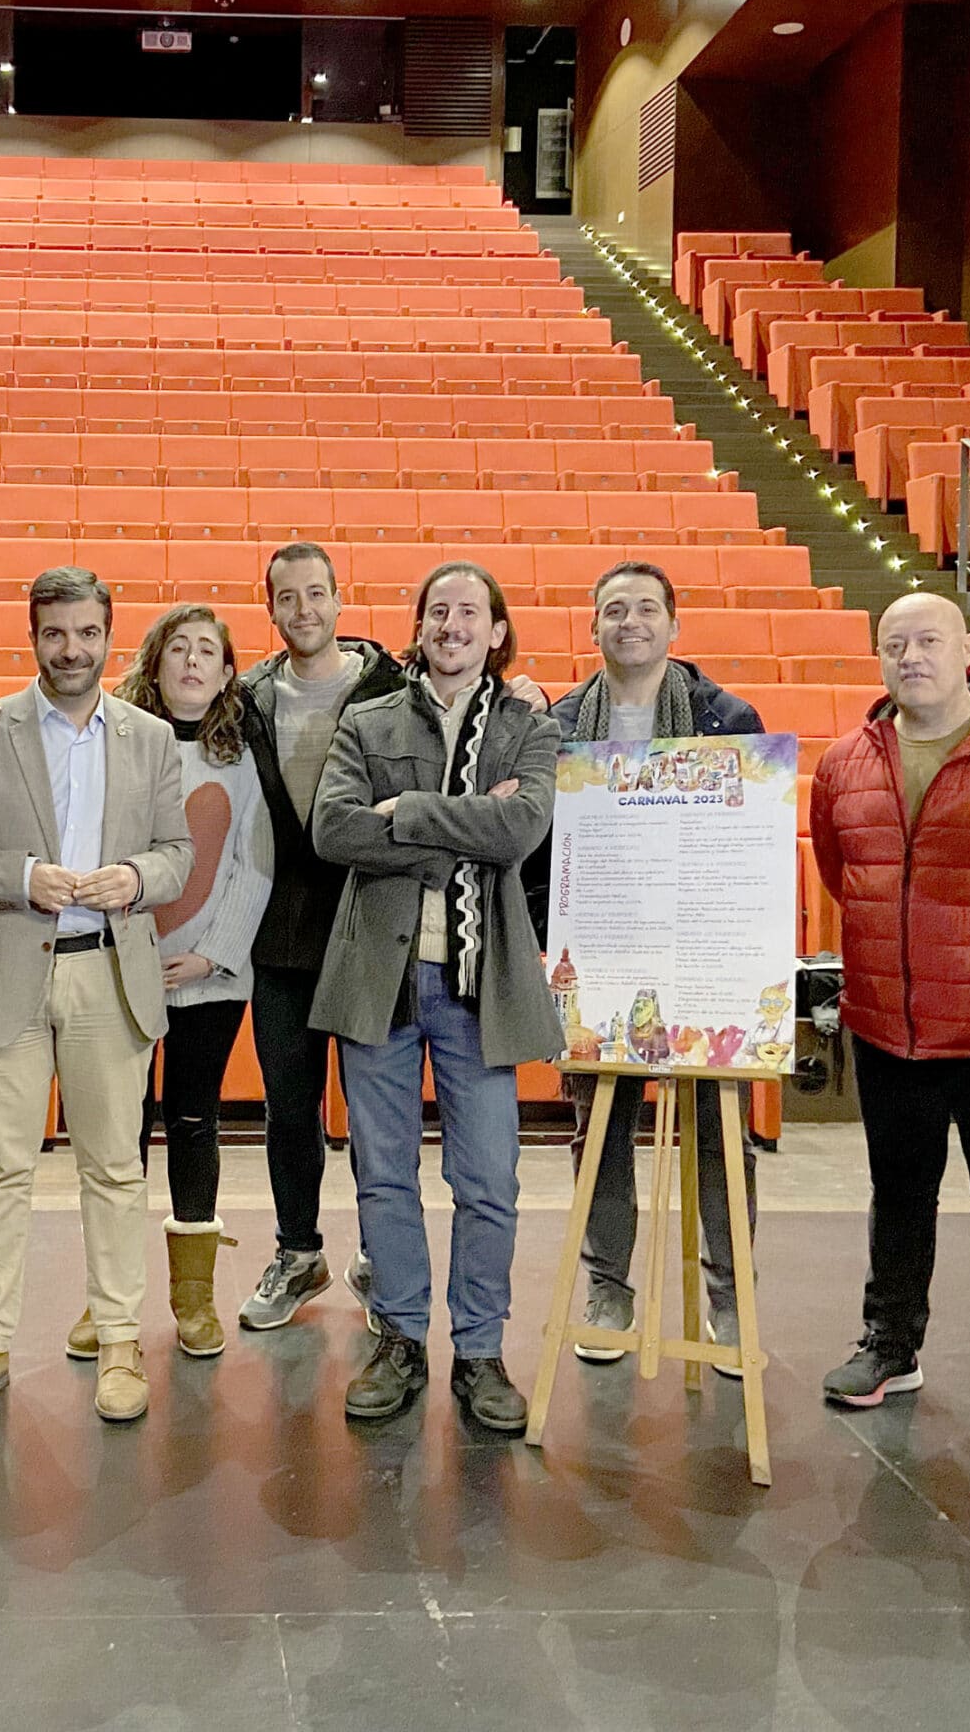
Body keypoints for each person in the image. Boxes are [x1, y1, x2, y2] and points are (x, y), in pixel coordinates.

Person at [0, 568, 193, 1427]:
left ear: (111, 636)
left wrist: (136, 877)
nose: (71, 649)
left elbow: (177, 852)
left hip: (110, 973)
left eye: (86, 633)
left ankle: (118, 1341)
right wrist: (23, 879)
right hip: (5, 974)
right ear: (31, 637)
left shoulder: (149, 737)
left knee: (115, 1169)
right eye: (54, 634)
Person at [808, 591, 970, 1453]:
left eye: (928, 640)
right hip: (891, 1024)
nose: (910, 655)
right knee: (900, 1194)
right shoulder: (846, 761)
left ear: (969, 651)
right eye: (894, 643)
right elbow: (848, 875)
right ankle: (891, 1346)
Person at [311, 561, 560, 1432]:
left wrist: (405, 809)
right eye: (436, 611)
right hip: (378, 977)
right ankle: (402, 1338)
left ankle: (483, 1349)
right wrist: (462, 825)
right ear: (417, 628)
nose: (451, 624)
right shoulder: (369, 717)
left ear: (496, 632)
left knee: (488, 1178)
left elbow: (522, 828)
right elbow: (334, 829)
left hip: (478, 980)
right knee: (383, 1175)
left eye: (469, 612)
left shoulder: (529, 725)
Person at [526, 559, 764, 1369]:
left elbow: (753, 839)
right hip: (599, 959)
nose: (630, 622)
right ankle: (609, 1286)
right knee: (601, 1133)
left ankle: (729, 1297)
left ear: (673, 623)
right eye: (614, 610)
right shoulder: (559, 725)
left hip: (702, 953)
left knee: (715, 1136)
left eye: (646, 609)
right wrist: (542, 937)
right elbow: (535, 850)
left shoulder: (725, 715)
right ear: (593, 628)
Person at [230, 543, 406, 1332]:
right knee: (288, 1107)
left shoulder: (392, 686)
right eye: (287, 598)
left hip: (371, 926)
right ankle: (298, 1254)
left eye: (316, 594)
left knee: (374, 1109)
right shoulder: (248, 697)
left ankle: (381, 1257)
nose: (304, 611)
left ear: (341, 598)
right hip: (281, 936)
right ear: (269, 608)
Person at [114, 603, 275, 1358]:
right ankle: (109, 1302)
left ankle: (194, 1299)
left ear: (225, 672)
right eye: (177, 648)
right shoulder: (118, 746)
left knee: (191, 1119)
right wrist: (132, 948)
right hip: (123, 969)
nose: (190, 662)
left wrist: (212, 955)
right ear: (155, 662)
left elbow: (251, 863)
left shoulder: (240, 759)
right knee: (118, 1130)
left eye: (206, 651)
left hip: (210, 976)